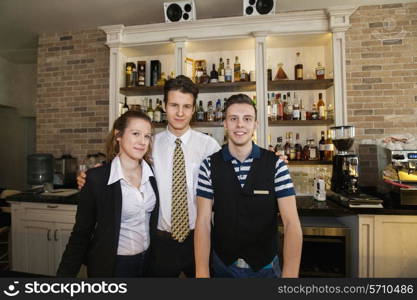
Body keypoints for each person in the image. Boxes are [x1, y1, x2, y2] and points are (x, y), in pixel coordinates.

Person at [77, 75, 221, 277]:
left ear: (194, 109)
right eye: (174, 105)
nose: (180, 113)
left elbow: (230, 183)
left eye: (187, 106)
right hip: (160, 242)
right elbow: (122, 167)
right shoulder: (149, 144)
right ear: (163, 105)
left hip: (199, 238)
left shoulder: (210, 147)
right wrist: (92, 177)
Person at [195, 94, 303, 278]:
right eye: (233, 119)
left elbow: (292, 224)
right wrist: (202, 272)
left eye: (247, 119)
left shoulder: (275, 165)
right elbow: (203, 223)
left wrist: (290, 277)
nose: (240, 125)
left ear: (255, 125)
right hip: (223, 267)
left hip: (266, 269)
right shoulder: (209, 165)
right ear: (225, 124)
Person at [57, 110, 159, 277]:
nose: (142, 141)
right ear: (118, 135)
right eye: (136, 134)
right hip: (113, 266)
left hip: (147, 264)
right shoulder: (97, 179)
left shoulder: (153, 175)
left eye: (147, 136)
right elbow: (80, 235)